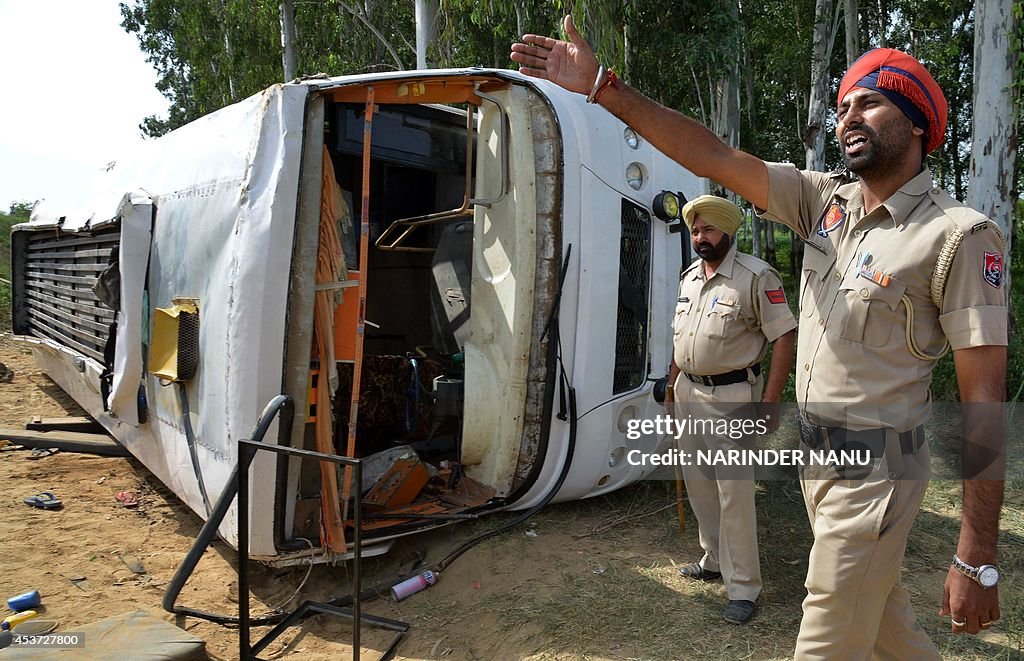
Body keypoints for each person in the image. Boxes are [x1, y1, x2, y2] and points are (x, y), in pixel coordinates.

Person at [511, 17, 1006, 659]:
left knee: (825, 637)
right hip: (819, 462)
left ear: (916, 123)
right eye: (843, 106)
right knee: (889, 635)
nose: (849, 117)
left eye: (871, 102)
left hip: (876, 476)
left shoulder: (959, 237)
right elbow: (714, 156)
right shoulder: (824, 204)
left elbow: (985, 401)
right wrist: (605, 88)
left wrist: (977, 556)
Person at [666, 194, 796, 625]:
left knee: (734, 494)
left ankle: (744, 588)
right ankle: (713, 560)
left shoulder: (755, 277)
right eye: (695, 231)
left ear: (728, 231)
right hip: (688, 393)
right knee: (700, 485)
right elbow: (681, 338)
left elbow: (784, 337)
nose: (700, 238)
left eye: (708, 230)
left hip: (732, 400)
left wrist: (771, 402)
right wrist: (670, 386)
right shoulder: (688, 278)